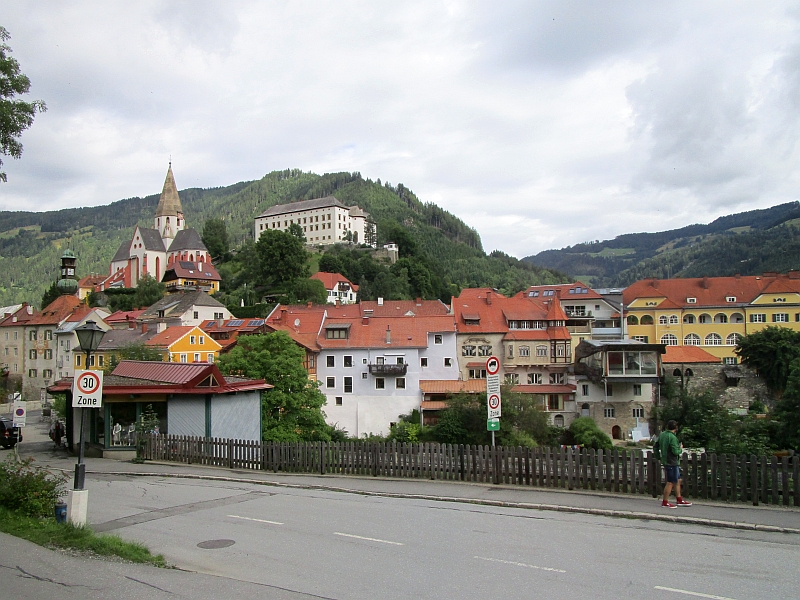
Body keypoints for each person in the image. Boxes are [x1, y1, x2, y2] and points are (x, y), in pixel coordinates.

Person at [658, 420, 692, 508]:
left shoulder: (662, 435)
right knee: (670, 482)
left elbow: (655, 445)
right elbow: (675, 451)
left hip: (667, 460)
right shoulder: (672, 437)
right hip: (671, 461)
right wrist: (680, 448)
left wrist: (658, 456)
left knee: (677, 480)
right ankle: (665, 502)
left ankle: (679, 499)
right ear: (676, 428)